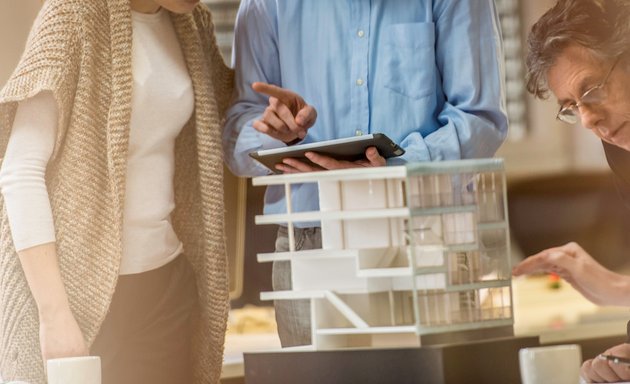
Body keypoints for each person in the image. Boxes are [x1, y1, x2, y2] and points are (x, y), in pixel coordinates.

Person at [223, 0, 508, 347]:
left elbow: (480, 117)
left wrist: (396, 168)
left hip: (428, 230)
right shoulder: (265, 5)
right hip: (310, 238)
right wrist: (275, 133)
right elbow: (238, 134)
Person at [0, 0, 233, 383]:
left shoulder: (193, 23)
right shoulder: (72, 15)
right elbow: (20, 171)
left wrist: (267, 113)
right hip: (82, 301)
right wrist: (54, 313)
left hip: (166, 288)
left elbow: (216, 106)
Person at [512, 0, 630, 382]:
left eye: (592, 90)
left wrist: (617, 288)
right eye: (571, 107)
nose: (588, 119)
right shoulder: (622, 148)